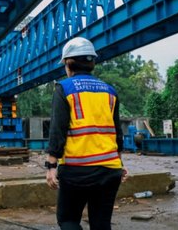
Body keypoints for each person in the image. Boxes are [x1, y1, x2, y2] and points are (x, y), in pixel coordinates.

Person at [46, 37, 127, 230]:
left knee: (68, 220)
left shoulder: (64, 88)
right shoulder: (110, 91)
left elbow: (58, 130)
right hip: (110, 170)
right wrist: (120, 163)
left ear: (68, 63)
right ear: (92, 63)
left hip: (76, 170)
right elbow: (116, 133)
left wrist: (50, 166)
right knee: (101, 224)